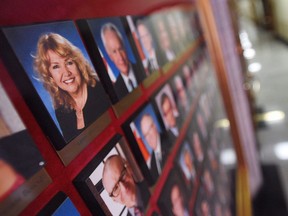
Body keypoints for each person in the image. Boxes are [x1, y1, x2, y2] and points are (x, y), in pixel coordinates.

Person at [34, 33, 110, 142]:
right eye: (56, 66)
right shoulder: (62, 111)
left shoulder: (102, 90)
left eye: (69, 62)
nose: (66, 72)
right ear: (50, 76)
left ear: (77, 64)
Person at [101, 23, 145, 99]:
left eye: (120, 49)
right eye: (114, 52)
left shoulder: (144, 68)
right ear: (110, 56)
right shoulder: (116, 90)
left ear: (124, 47)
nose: (120, 57)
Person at [139, 114, 171, 178]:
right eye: (146, 135)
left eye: (149, 130)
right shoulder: (152, 163)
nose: (149, 137)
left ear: (155, 126)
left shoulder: (169, 138)